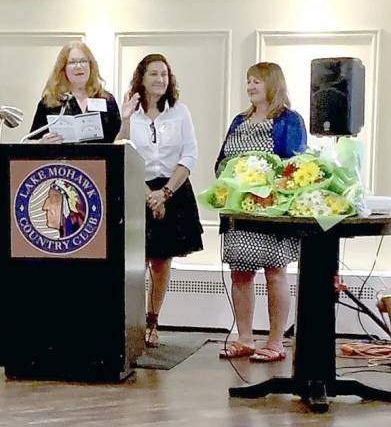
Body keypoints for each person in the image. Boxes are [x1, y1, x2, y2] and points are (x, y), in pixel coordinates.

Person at [215, 62, 307, 362]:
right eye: (248, 82)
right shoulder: (239, 120)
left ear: (272, 84)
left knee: (274, 274)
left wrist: (265, 184)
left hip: (272, 210)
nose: (250, 87)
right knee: (240, 273)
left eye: (256, 81)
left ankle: (276, 341)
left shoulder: (289, 120)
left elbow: (294, 165)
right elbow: (221, 160)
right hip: (239, 210)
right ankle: (244, 338)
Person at [117, 54, 203, 348]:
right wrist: (126, 118)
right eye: (154, 74)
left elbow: (189, 155)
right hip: (136, 187)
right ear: (141, 78)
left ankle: (153, 321)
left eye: (165, 75)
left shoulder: (180, 112)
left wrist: (164, 193)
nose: (160, 80)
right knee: (134, 260)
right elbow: (122, 150)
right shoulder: (131, 111)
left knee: (161, 259)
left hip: (173, 189)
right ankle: (133, 323)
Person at [28, 41, 120, 144]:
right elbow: (29, 142)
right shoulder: (50, 101)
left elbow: (119, 141)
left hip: (102, 159)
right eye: (72, 62)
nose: (78, 66)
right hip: (61, 159)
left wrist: (126, 119)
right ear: (63, 69)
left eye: (83, 61)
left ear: (91, 66)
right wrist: (41, 143)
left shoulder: (106, 99)